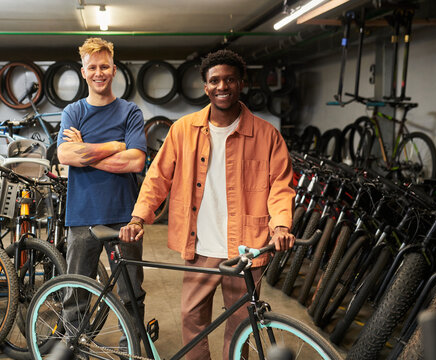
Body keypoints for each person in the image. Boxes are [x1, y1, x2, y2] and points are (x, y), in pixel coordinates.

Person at [119, 49, 296, 360]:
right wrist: (138, 217)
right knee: (192, 319)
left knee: (241, 324)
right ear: (205, 86)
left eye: (229, 79)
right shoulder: (183, 130)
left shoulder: (267, 135)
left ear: (242, 83)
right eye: (215, 80)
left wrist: (281, 224)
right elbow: (157, 178)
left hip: (246, 250)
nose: (222, 86)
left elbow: (281, 185)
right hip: (199, 247)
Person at [55, 37, 147, 356]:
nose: (99, 73)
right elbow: (66, 155)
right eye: (92, 67)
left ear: (114, 69)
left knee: (131, 293)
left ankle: (130, 352)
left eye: (104, 66)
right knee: (75, 293)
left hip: (125, 215)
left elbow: (136, 161)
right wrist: (115, 145)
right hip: (82, 216)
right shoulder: (73, 111)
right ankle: (75, 352)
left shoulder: (130, 111)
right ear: (83, 72)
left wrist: (88, 151)